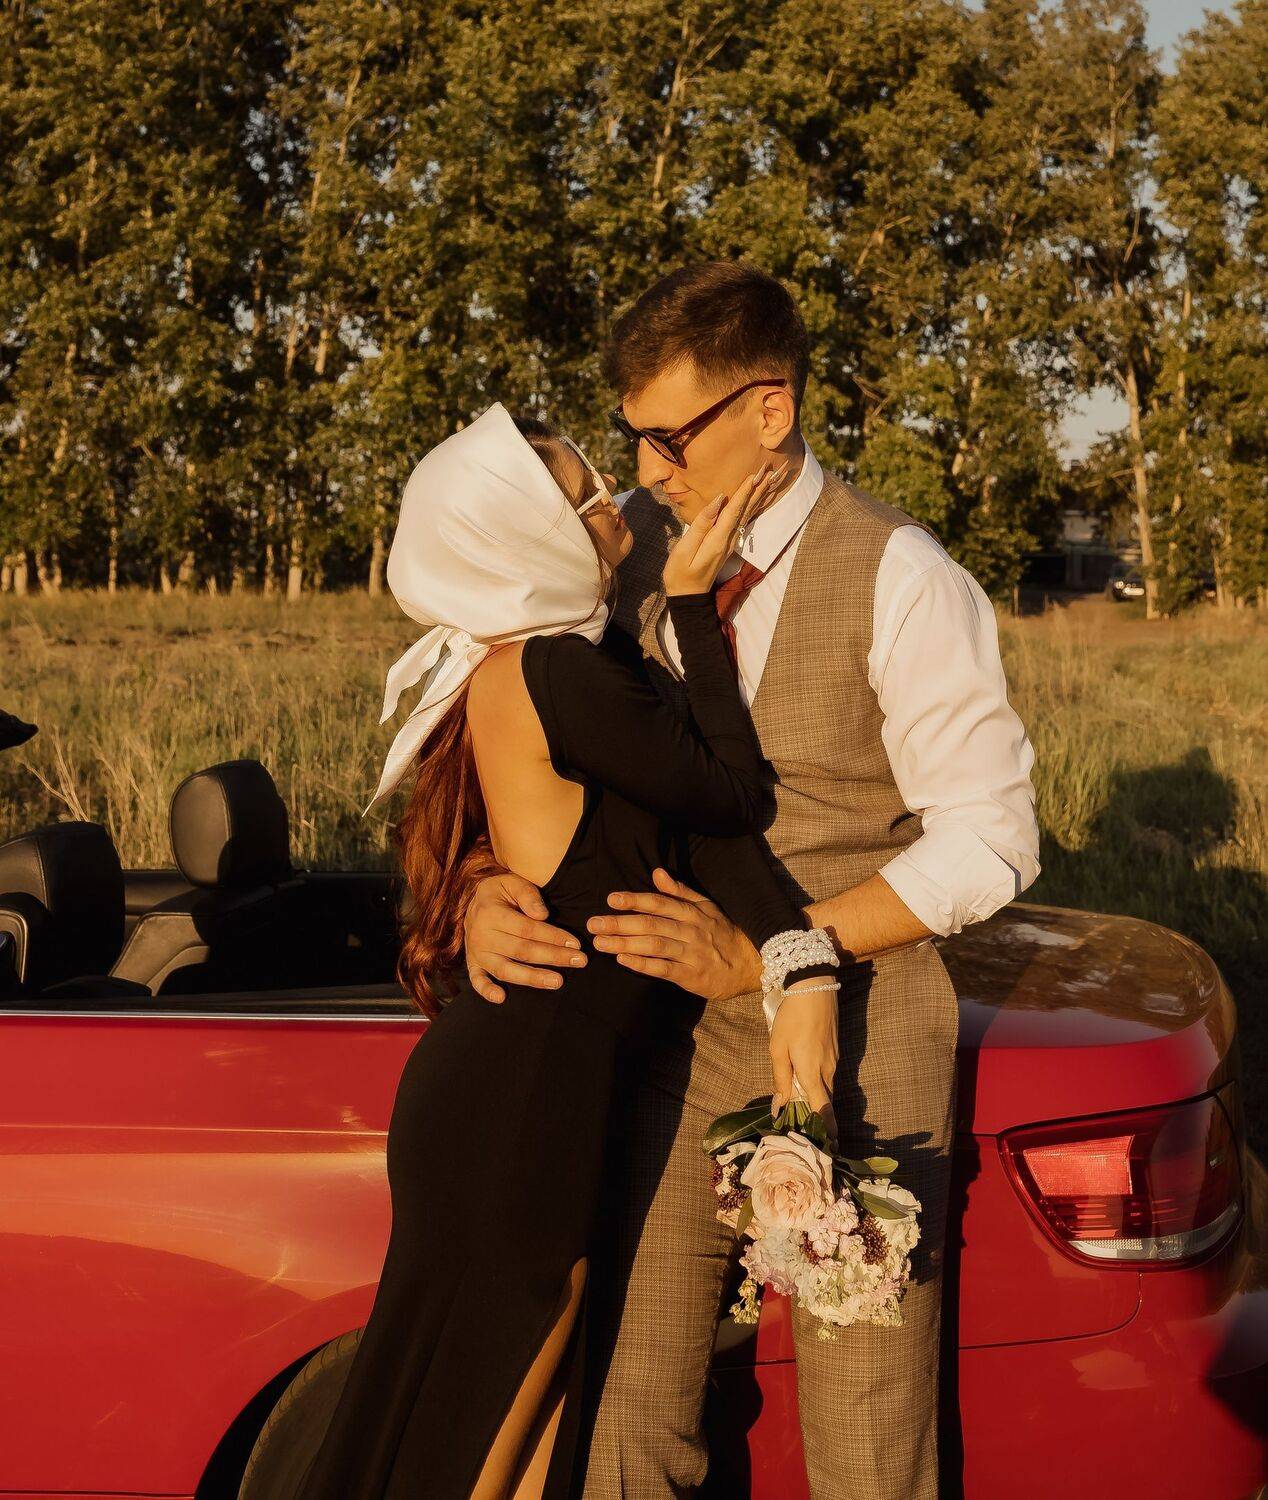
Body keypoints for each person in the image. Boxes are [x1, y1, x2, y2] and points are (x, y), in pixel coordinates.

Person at [462, 263, 1042, 1499]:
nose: (646, 470)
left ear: (768, 410)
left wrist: (784, 951)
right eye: (631, 436)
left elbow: (989, 838)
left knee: (865, 1439)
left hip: (861, 1031)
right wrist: (478, 886)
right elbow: (524, 738)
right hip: (665, 1031)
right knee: (624, 1416)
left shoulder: (900, 573)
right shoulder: (623, 552)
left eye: (669, 439)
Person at [293, 400, 840, 1500]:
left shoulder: (536, 663)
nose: (610, 503)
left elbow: (696, 825)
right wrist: (693, 608)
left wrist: (796, 959)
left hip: (531, 1077)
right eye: (581, 499)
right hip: (525, 1087)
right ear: (526, 538)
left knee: (517, 1394)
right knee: (493, 1398)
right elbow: (730, 794)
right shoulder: (556, 669)